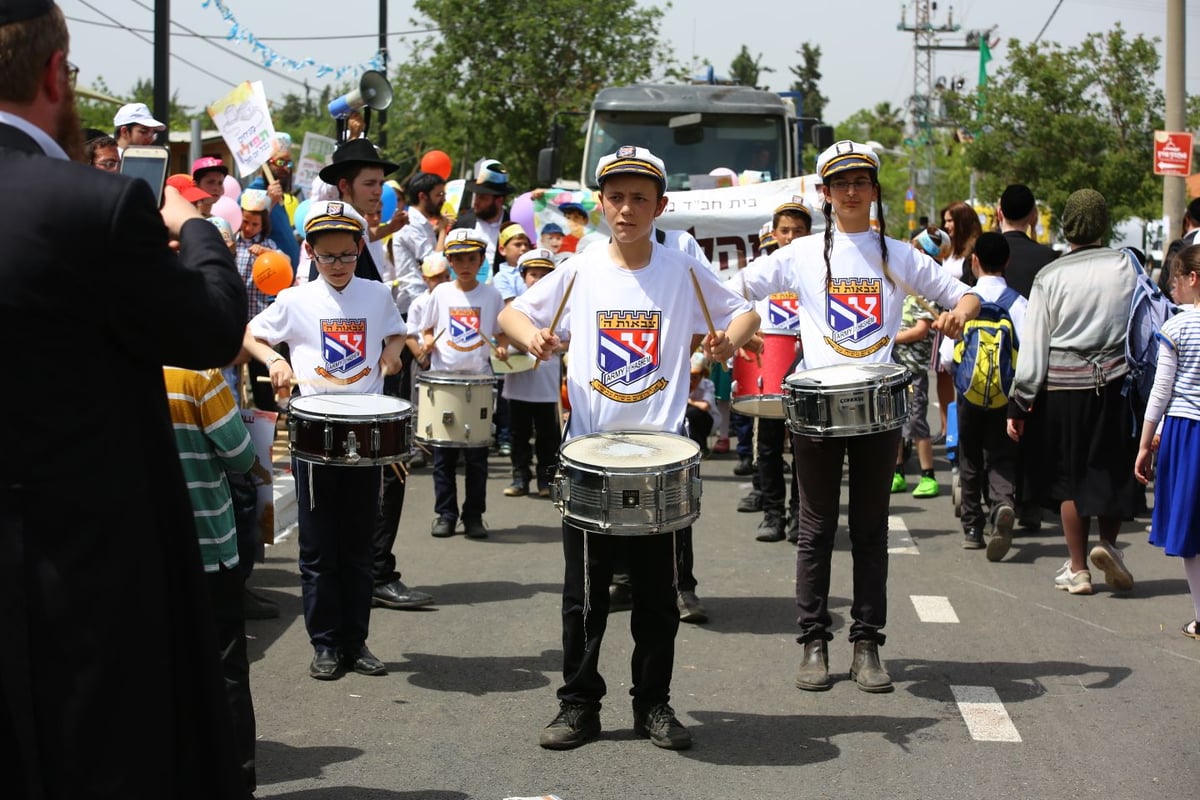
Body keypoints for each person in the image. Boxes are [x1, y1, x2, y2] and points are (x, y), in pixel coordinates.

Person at [1, 2, 249, 795]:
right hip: (81, 588)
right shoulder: (93, 206)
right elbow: (210, 329)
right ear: (51, 74)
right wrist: (197, 228)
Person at [501, 144, 759, 751]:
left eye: (639, 197)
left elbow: (743, 312)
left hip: (661, 456)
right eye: (615, 196)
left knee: (655, 597)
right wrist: (535, 335)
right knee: (584, 595)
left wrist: (726, 343)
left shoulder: (683, 270)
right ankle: (578, 705)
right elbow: (513, 314)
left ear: (660, 205)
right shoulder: (579, 268)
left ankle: (654, 706)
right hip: (589, 453)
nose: (626, 207)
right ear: (600, 204)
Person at [736, 140, 978, 694]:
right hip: (817, 410)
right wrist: (732, 339)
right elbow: (736, 291)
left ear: (873, 190)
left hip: (878, 408)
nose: (851, 191)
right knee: (816, 530)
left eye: (861, 182)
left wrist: (958, 315)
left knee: (870, 531)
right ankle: (814, 643)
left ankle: (866, 643)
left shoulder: (898, 253)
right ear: (825, 193)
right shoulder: (798, 255)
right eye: (840, 183)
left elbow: (964, 296)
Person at [244, 199, 408, 678]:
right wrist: (275, 361)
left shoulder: (376, 295)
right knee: (318, 548)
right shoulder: (296, 299)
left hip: (364, 431)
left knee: (358, 546)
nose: (338, 265)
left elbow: (396, 334)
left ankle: (356, 642)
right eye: (327, 256)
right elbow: (253, 334)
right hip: (314, 430)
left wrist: (393, 354)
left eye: (346, 255)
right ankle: (325, 644)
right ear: (310, 253)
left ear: (360, 248)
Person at [1007, 188, 1141, 596]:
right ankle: (1110, 547)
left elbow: (1035, 345)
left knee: (1068, 479)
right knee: (1111, 470)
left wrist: (1020, 400)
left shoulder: (1050, 276)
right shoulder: (1127, 266)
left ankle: (1079, 569)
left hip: (1062, 391)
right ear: (1103, 223)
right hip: (1117, 384)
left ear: (1067, 225)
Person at [162, 365, 258, 796]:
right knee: (227, 671)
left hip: (146, 554)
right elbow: (239, 455)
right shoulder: (198, 376)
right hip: (208, 548)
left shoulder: (111, 365)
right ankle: (234, 781)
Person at [939, 232, 1027, 557]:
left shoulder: (965, 303)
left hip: (969, 393)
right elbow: (1029, 354)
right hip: (1006, 395)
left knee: (970, 458)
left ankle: (972, 528)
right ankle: (1002, 505)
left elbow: (947, 357)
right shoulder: (1019, 303)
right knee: (1002, 456)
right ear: (1007, 262)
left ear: (974, 262)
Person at [419, 227, 509, 539]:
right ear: (450, 262)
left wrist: (502, 346)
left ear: (482, 260)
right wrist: (428, 344)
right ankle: (445, 513)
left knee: (477, 458)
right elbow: (427, 329)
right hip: (445, 383)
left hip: (480, 382)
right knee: (443, 456)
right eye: (458, 259)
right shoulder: (441, 293)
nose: (465, 264)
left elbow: (503, 333)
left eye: (472, 258)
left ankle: (473, 516)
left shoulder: (492, 295)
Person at [1135, 244, 1200, 637]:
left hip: (1185, 430)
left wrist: (1145, 443)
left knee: (1192, 531)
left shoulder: (1176, 327)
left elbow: (1161, 391)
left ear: (1193, 279)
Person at [502, 248, 563, 498]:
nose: (537, 280)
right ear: (523, 276)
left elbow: (571, 339)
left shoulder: (561, 308)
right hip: (519, 381)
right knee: (519, 434)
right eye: (533, 274)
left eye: (544, 275)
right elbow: (503, 336)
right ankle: (520, 477)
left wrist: (555, 343)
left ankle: (546, 479)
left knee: (548, 435)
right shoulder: (516, 307)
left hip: (547, 384)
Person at [890, 230, 941, 501]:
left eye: (916, 249)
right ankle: (897, 472)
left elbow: (921, 330)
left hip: (915, 369)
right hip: (896, 367)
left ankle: (928, 475)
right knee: (896, 421)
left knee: (917, 422)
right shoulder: (901, 287)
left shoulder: (925, 291)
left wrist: (890, 337)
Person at [452, 157, 514, 280]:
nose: (476, 202)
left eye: (483, 198)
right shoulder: (463, 222)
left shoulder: (511, 225)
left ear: (499, 201)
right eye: (476, 196)